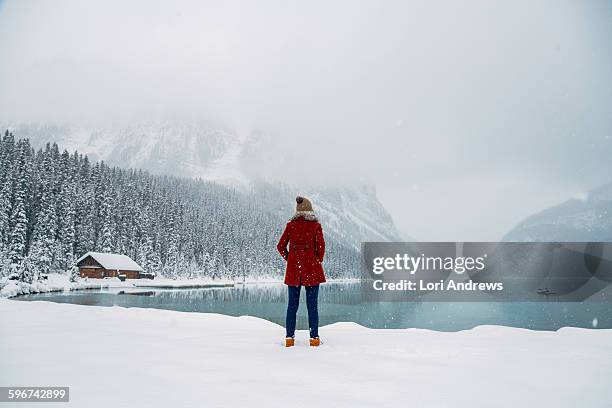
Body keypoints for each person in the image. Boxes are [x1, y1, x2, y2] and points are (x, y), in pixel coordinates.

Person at [277, 196, 326, 347]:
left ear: (298, 211)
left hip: (294, 272)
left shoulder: (291, 226)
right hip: (312, 270)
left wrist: (290, 259)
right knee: (312, 306)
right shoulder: (315, 226)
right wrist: (316, 260)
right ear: (310, 210)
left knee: (292, 306)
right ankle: (314, 339)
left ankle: (290, 339)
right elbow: (321, 248)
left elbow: (280, 246)